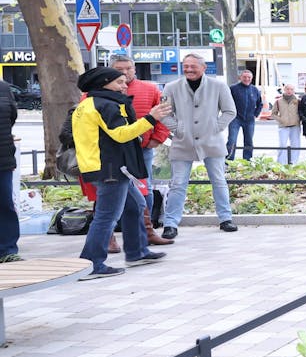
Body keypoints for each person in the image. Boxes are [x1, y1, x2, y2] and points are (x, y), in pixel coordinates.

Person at [72, 66, 172, 279]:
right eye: (119, 82)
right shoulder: (104, 104)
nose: (125, 86)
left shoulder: (89, 103)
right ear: (104, 83)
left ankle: (137, 252)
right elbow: (120, 135)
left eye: (125, 81)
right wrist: (150, 119)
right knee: (107, 216)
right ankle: (91, 262)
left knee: (136, 205)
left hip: (107, 165)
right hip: (110, 167)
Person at [160, 54, 237, 237]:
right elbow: (163, 113)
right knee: (177, 184)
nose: (189, 70)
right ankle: (170, 224)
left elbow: (230, 111)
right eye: (185, 66)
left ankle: (226, 218)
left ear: (203, 68)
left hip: (212, 142)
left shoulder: (218, 86)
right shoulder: (171, 87)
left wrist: (215, 128)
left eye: (193, 66)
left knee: (219, 181)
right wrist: (178, 129)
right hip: (182, 142)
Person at [108, 54, 172, 247]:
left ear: (135, 68)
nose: (125, 73)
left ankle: (147, 230)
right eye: (119, 70)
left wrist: (157, 138)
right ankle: (109, 236)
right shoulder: (99, 92)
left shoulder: (150, 89)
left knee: (145, 188)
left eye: (129, 68)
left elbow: (164, 113)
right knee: (108, 192)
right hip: (112, 151)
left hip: (141, 148)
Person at [226, 70, 262, 161]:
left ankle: (247, 161)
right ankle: (229, 161)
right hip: (235, 119)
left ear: (251, 78)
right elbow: (226, 102)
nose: (247, 79)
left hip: (249, 120)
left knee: (248, 141)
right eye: (244, 77)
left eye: (249, 77)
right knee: (232, 140)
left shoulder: (255, 90)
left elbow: (260, 104)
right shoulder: (233, 88)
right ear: (240, 78)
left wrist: (255, 115)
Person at [0, 80, 18, 263]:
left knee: (5, 204)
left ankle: (7, 250)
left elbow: (11, 117)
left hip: (3, 157)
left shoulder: (4, 88)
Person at [271, 83, 301, 163]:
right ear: (284, 90)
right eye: (287, 89)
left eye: (291, 89)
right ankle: (281, 163)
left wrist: (298, 119)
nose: (289, 91)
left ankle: (294, 162)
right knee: (282, 145)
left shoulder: (297, 101)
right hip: (283, 126)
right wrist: (281, 119)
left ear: (294, 91)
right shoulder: (278, 101)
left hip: (295, 126)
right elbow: (273, 114)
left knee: (296, 145)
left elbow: (301, 112)